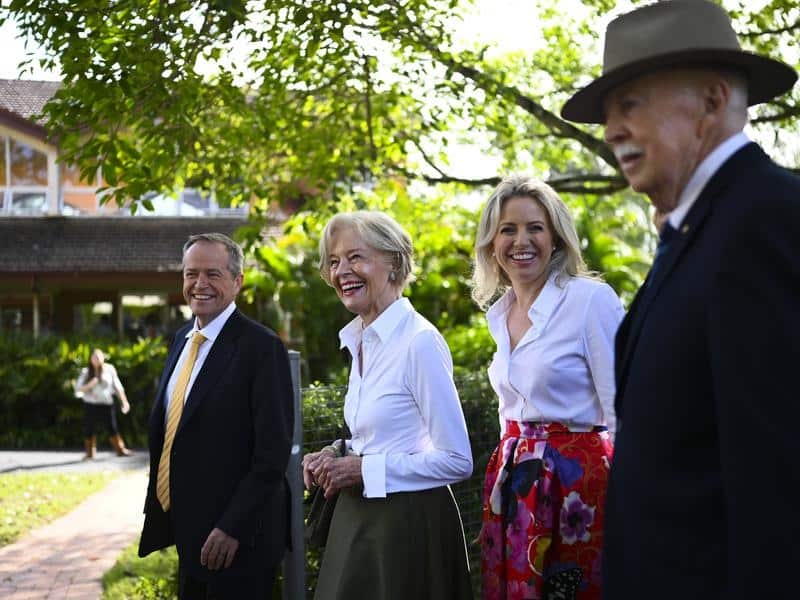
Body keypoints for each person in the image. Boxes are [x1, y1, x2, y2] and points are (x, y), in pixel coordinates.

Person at [560, 1, 800, 599]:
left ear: (713, 101)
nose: (612, 129)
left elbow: (778, 486)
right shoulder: (702, 230)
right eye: (608, 113)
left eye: (631, 103)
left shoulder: (763, 222)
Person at [302, 211, 474, 600]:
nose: (341, 270)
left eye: (355, 257)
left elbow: (457, 459)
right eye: (333, 261)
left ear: (394, 262)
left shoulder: (419, 342)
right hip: (358, 523)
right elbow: (381, 434)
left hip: (408, 530)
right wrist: (334, 453)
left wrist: (364, 469)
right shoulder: (362, 337)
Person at [472, 175, 624, 599]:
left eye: (534, 227)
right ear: (491, 243)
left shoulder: (590, 300)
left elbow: (622, 409)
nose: (522, 240)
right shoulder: (498, 315)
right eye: (508, 229)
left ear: (555, 237)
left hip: (579, 483)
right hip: (514, 482)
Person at [138, 233, 294, 599]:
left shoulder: (262, 347)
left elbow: (272, 454)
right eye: (191, 274)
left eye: (213, 274)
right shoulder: (181, 340)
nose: (199, 284)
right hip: (189, 532)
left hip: (239, 540)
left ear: (237, 282)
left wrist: (232, 527)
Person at [74, 347, 132, 459]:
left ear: (103, 358)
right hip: (91, 405)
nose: (97, 359)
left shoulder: (110, 369)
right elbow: (78, 389)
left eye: (99, 357)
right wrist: (90, 384)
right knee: (89, 428)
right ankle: (89, 453)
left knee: (112, 427)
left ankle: (120, 449)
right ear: (90, 359)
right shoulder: (86, 372)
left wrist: (124, 402)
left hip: (106, 404)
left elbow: (118, 387)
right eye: (94, 357)